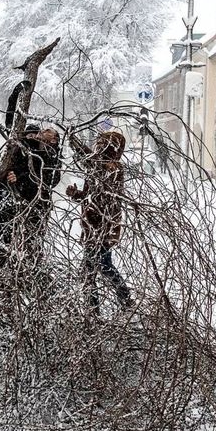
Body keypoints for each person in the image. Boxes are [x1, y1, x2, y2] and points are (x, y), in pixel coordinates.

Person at [66, 129, 132, 310]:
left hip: (104, 227)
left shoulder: (114, 168)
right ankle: (97, 308)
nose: (99, 145)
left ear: (113, 148)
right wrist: (76, 194)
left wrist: (74, 141)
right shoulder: (96, 167)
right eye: (99, 142)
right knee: (93, 269)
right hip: (91, 226)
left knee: (99, 267)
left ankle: (119, 302)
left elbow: (91, 159)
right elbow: (90, 196)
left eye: (104, 143)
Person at [4, 124, 62, 250]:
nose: (41, 131)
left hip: (39, 204)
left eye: (47, 131)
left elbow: (49, 181)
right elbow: (14, 166)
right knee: (14, 238)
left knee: (34, 241)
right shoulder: (27, 148)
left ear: (53, 140)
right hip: (18, 200)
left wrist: (20, 177)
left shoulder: (53, 156)